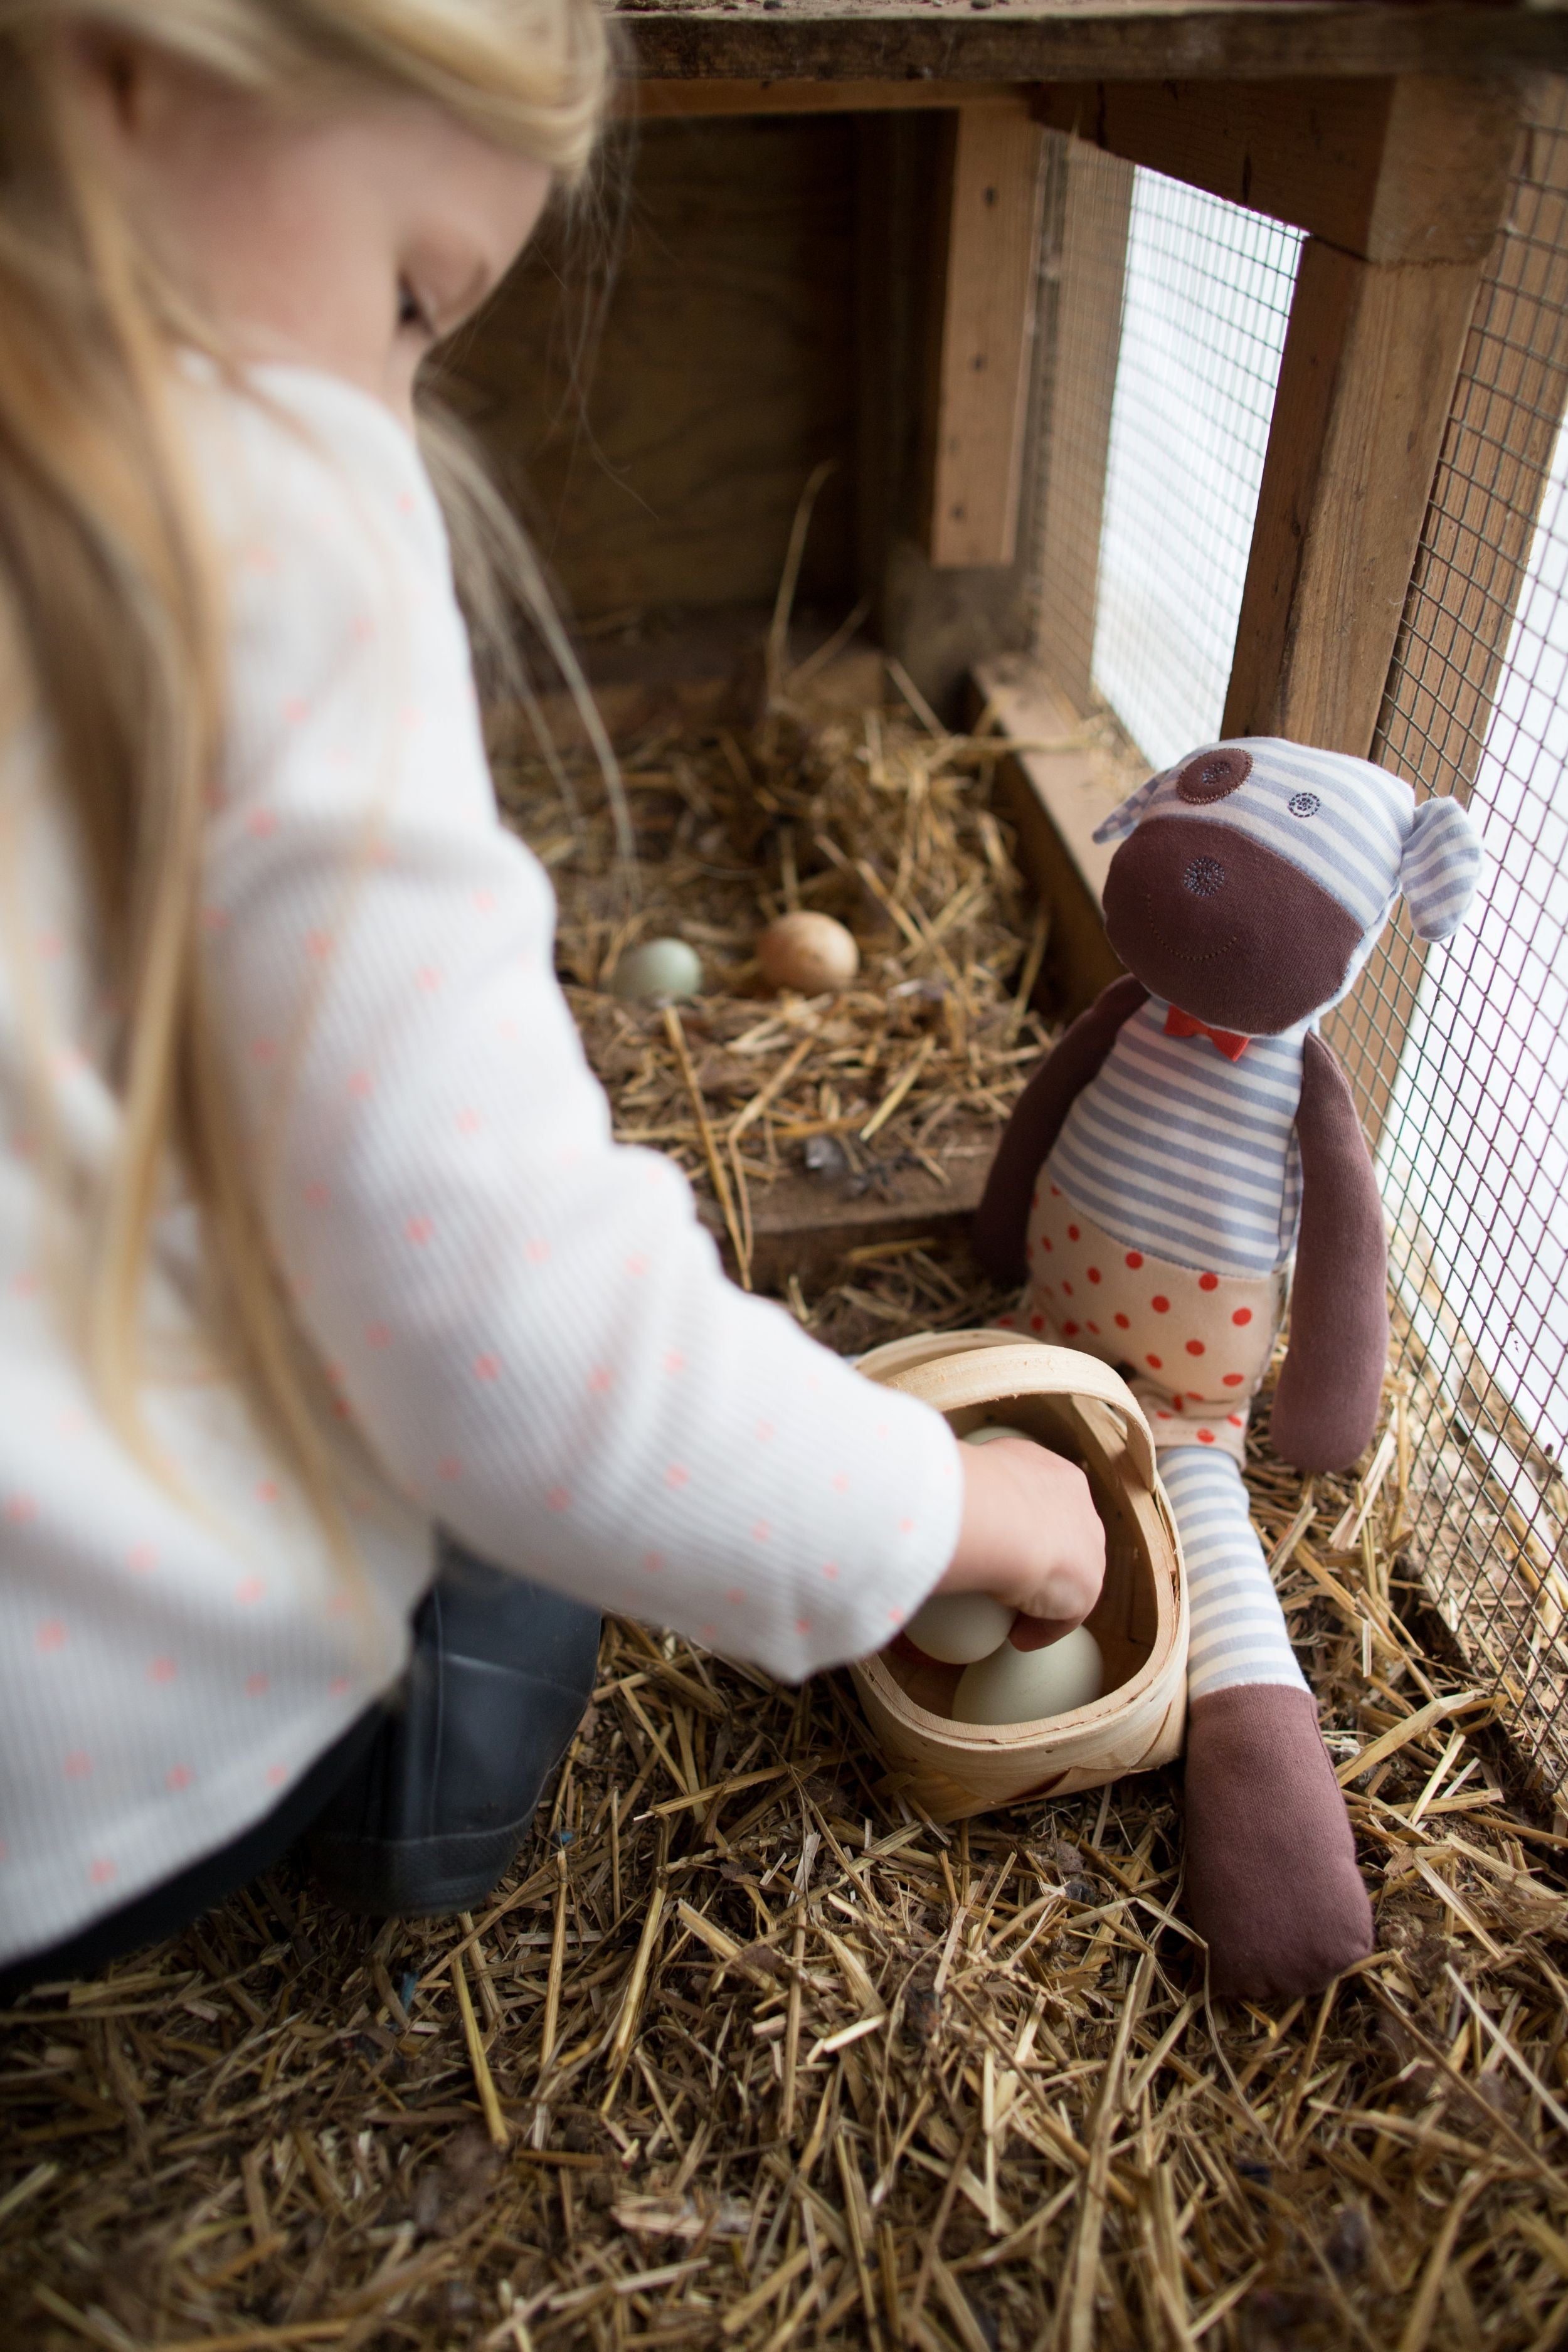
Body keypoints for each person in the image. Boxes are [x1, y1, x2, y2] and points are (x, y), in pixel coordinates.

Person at [0, 0, 1106, 1999]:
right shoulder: (245, 509)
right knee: (489, 1467)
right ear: (124, 57)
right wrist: (954, 1511)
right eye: (415, 296)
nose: (395, 395)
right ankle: (412, 1840)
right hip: (76, 1756)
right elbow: (530, 1353)